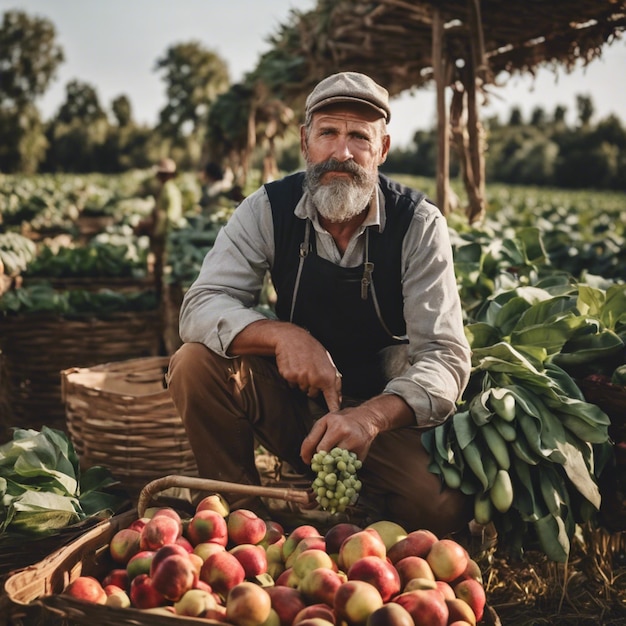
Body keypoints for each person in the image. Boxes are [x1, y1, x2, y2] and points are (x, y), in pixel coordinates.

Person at [167, 72, 472, 536]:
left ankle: (361, 511)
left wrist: (370, 419)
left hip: (381, 416)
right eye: (328, 132)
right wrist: (283, 336)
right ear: (305, 141)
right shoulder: (267, 208)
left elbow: (446, 357)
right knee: (194, 363)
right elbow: (201, 304)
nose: (341, 152)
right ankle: (240, 522)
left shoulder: (418, 225)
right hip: (292, 405)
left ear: (382, 150)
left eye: (358, 137)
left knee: (441, 508)